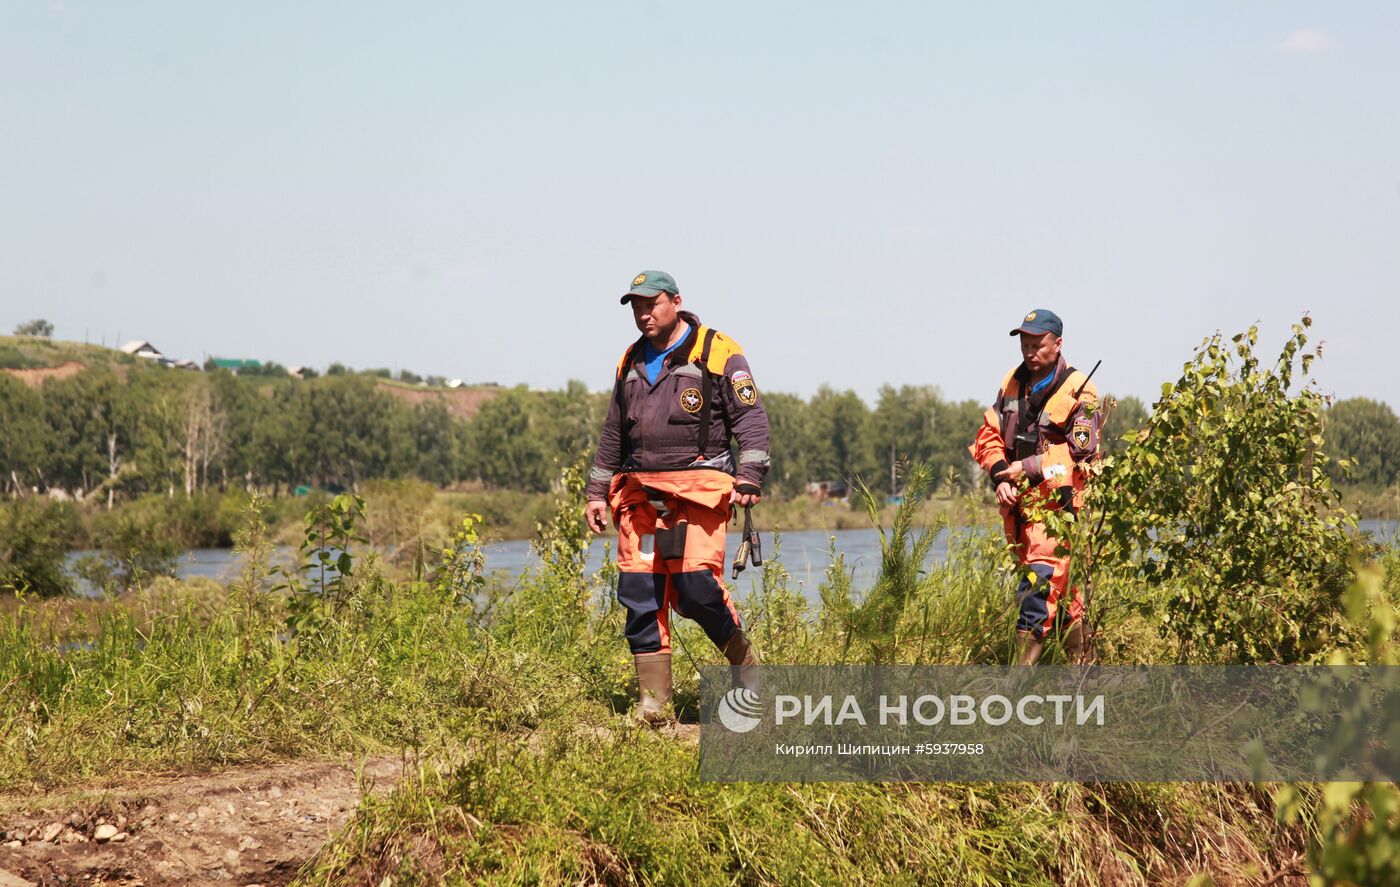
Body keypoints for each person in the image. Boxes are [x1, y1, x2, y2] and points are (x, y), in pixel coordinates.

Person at [585, 270, 770, 723]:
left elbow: (751, 420)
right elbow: (614, 432)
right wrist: (595, 492)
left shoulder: (717, 350)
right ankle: (655, 705)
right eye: (636, 307)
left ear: (676, 301)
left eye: (653, 304)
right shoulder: (630, 359)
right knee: (639, 592)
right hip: (639, 498)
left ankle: (748, 670)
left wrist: (749, 474)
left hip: (698, 492)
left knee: (695, 590)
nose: (644, 314)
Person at [969, 309, 1101, 665]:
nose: (1029, 350)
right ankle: (1083, 678)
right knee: (1067, 600)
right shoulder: (1012, 381)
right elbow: (988, 435)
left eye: (1037, 343)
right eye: (1024, 343)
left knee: (1036, 590)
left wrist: (1025, 469)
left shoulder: (1081, 389)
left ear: (1057, 344)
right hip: (1020, 511)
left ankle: (1017, 684)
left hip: (1061, 510)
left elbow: (1082, 451)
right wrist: (1000, 476)